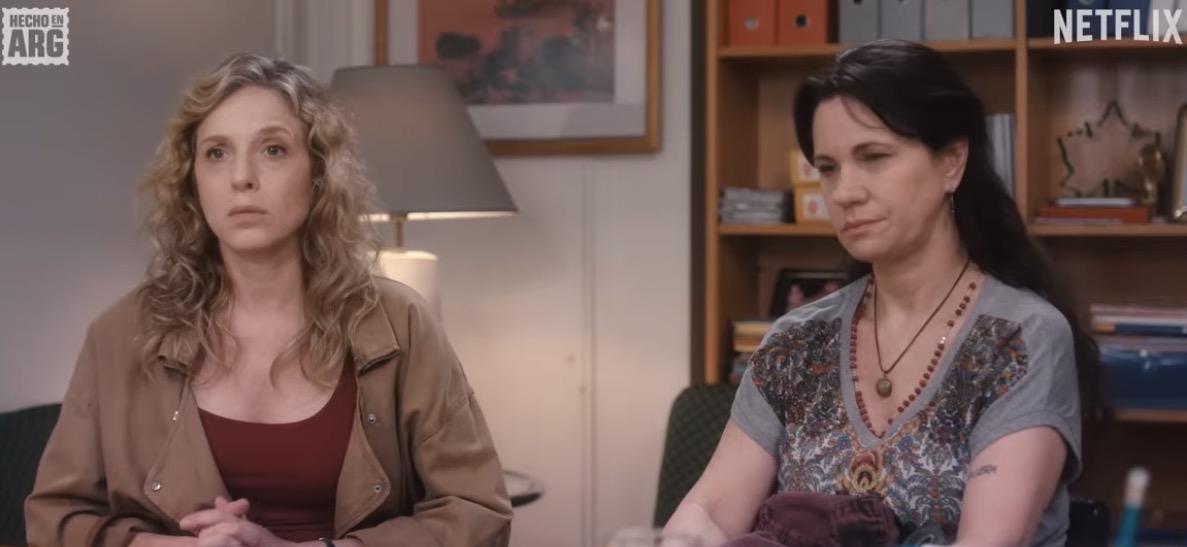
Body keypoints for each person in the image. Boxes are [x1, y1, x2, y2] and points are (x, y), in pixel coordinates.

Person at [24, 52, 513, 547]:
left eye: (273, 149)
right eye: (217, 153)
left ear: (318, 173)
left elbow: (477, 513)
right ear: (192, 181)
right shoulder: (121, 334)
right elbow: (54, 518)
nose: (242, 177)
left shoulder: (399, 323)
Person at [664, 40, 1106, 547]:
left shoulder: (1017, 340)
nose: (844, 192)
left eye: (873, 158)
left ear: (952, 161)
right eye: (828, 168)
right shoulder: (794, 344)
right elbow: (708, 513)